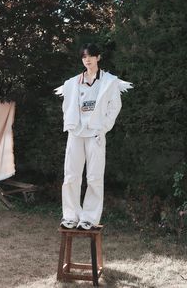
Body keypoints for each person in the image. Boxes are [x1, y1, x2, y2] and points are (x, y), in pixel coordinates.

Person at [54, 43, 132, 230]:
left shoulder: (109, 81)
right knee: (71, 176)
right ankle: (71, 216)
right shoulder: (72, 83)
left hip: (95, 133)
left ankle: (89, 218)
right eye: (83, 57)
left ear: (98, 57)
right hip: (76, 133)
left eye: (90, 56)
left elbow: (115, 106)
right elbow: (66, 106)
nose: (87, 59)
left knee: (94, 176)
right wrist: (71, 123)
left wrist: (103, 127)